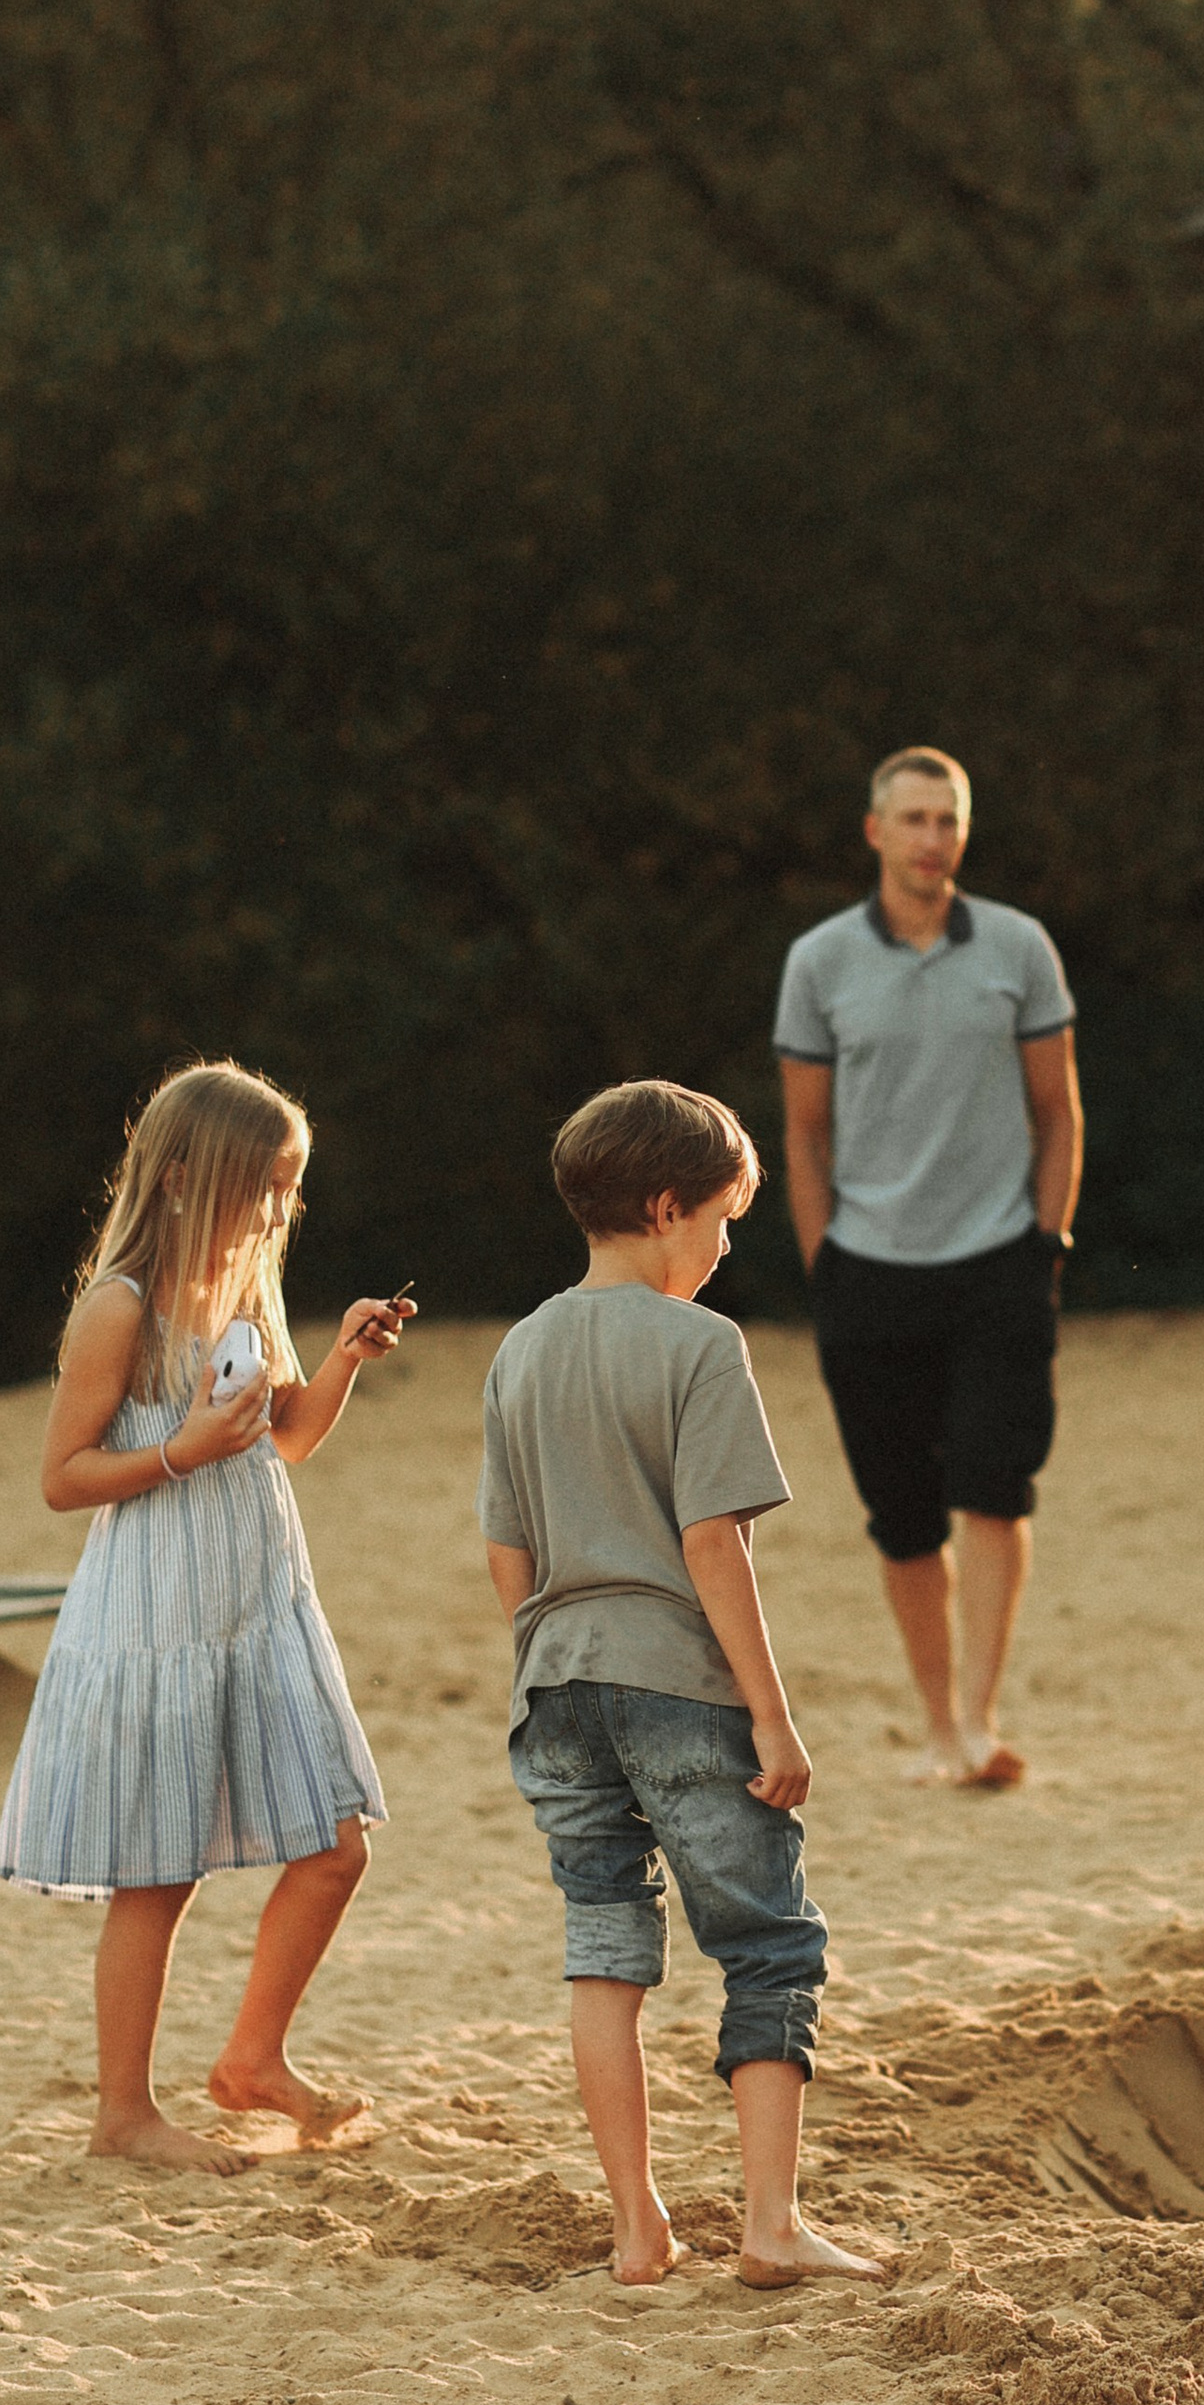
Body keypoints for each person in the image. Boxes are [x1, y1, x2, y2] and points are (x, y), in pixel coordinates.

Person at [480, 1076, 885, 2292]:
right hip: (678, 1683)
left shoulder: (520, 1347)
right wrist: (769, 1710)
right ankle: (769, 2225)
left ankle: (638, 2228)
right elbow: (716, 1544)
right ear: (662, 1206)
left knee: (604, 1945)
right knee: (766, 1945)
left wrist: (550, 1666)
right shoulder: (702, 1345)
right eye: (719, 1217)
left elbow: (509, 1554)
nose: (724, 1244)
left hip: (554, 1687)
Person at [0, 1060, 410, 2171]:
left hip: (259, 1602)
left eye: (291, 1186)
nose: (281, 1209)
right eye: (265, 1183)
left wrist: (342, 1361)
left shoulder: (244, 1288)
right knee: (157, 1870)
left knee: (335, 1845)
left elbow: (283, 1443)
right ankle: (123, 2114)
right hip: (156, 1612)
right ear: (180, 1178)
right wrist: (178, 1448)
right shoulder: (118, 1305)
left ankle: (251, 2061)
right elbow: (63, 1476)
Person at [776, 747, 1080, 1792]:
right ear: (874, 831)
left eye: (946, 819)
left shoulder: (1018, 947)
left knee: (996, 1488)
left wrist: (1044, 1243)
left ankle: (978, 1723)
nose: (930, 837)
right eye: (911, 818)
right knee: (903, 1514)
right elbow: (803, 1134)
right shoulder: (818, 962)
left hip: (1000, 1261)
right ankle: (934, 1723)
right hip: (867, 1272)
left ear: (963, 830)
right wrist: (826, 1266)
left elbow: (1058, 1109)